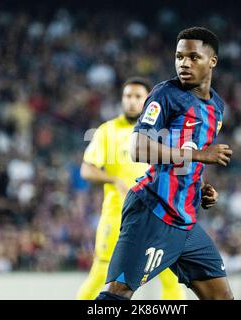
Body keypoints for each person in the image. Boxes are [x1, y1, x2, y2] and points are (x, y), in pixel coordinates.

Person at [96, 27, 234, 300]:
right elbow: (138, 147)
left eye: (193, 57)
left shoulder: (216, 107)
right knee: (116, 295)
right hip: (152, 210)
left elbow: (189, 152)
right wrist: (199, 156)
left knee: (222, 298)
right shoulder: (165, 95)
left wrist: (203, 187)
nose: (184, 63)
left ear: (212, 61)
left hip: (186, 221)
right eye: (179, 56)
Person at [77, 77, 186, 299]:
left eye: (138, 97)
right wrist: (114, 180)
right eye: (128, 96)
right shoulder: (107, 131)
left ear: (148, 101)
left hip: (156, 215)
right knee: (101, 274)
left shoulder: (161, 132)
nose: (132, 101)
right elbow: (87, 170)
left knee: (170, 276)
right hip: (117, 215)